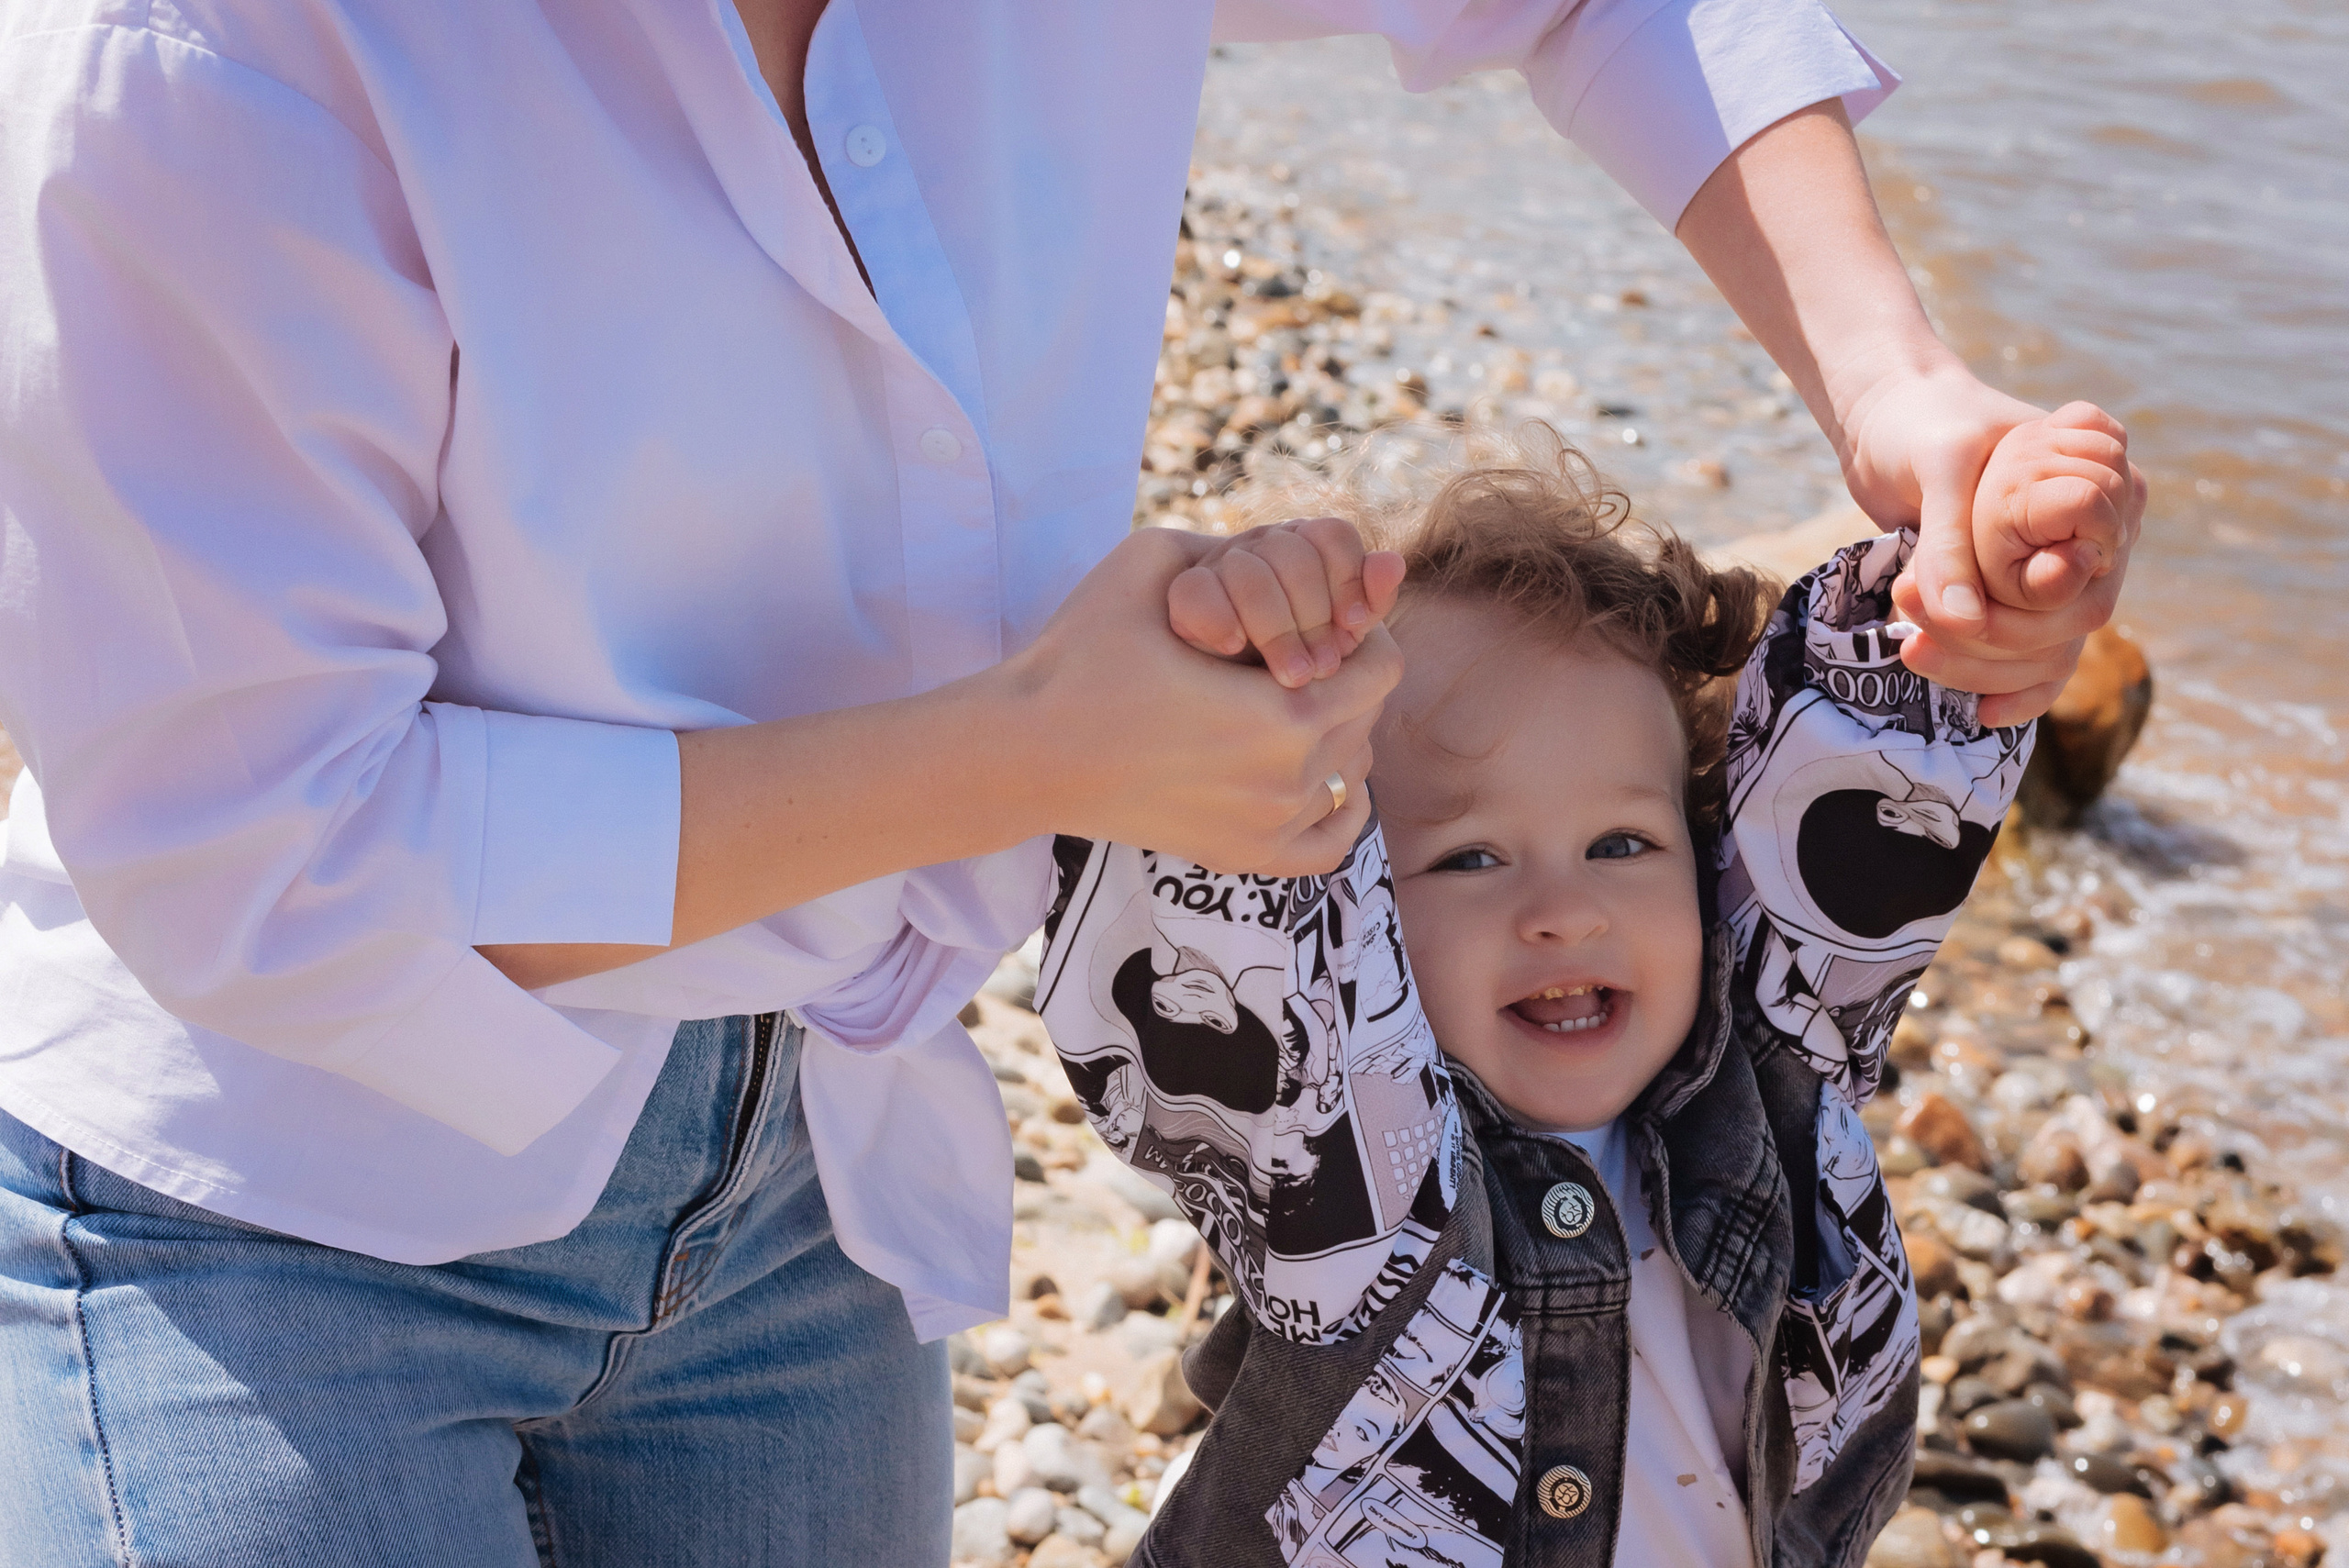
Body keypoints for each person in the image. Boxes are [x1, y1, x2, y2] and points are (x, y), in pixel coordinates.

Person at [0, 0, 2138, 1561]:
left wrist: (1894, 392)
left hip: (804, 1176)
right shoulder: (213, 57)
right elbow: (282, 860)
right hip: (268, 1216)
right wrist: (1024, 758)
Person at [1031, 413, 2138, 1566]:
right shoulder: (1357, 1182)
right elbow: (1217, 942)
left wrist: (1981, 574)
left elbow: (1873, 759)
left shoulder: (1766, 1059)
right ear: (1349, 907)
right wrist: (1241, 675)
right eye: (1468, 858)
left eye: (1620, 842)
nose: (1564, 909)